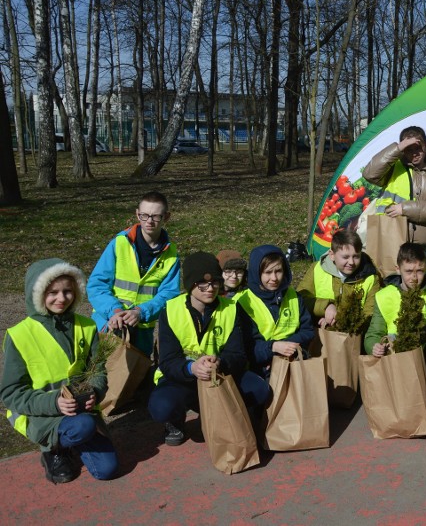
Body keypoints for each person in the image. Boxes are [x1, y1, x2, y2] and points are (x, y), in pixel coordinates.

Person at [1, 259, 119, 483]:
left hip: (81, 412)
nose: (61, 298)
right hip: (43, 415)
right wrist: (55, 402)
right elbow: (11, 393)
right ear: (37, 294)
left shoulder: (86, 326)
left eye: (67, 291)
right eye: (52, 292)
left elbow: (97, 370)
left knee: (107, 470)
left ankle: (75, 437)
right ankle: (52, 449)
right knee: (83, 427)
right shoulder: (20, 335)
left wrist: (95, 391)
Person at [147, 252, 270, 446]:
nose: (210, 288)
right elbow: (168, 361)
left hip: (220, 374)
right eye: (202, 284)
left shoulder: (231, 309)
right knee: (161, 407)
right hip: (183, 379)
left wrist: (220, 363)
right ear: (189, 285)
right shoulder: (170, 310)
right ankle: (175, 420)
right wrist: (191, 368)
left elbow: (238, 354)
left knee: (259, 389)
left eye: (215, 282)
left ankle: (228, 412)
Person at [364, 243, 426, 436]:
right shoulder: (384, 295)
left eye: (420, 271)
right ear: (398, 269)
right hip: (397, 352)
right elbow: (373, 333)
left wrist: (417, 334)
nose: (414, 277)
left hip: (424, 346)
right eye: (409, 271)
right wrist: (374, 346)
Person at [87, 191, 180, 356]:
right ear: (137, 214)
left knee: (136, 378)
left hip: (142, 331)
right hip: (108, 324)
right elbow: (97, 285)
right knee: (98, 376)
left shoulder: (171, 254)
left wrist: (141, 312)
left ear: (166, 217)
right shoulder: (119, 244)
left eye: (156, 216)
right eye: (145, 215)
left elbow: (169, 295)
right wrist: (114, 311)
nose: (149, 221)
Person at [363, 125, 426, 279]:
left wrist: (405, 209)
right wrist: (397, 148)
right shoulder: (393, 168)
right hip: (393, 243)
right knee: (393, 292)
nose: (414, 153)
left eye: (418, 148)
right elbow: (369, 174)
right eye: (408, 149)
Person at [239, 245, 315, 373]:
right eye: (268, 272)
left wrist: (285, 347)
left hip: (293, 359)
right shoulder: (242, 302)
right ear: (256, 273)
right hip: (259, 366)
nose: (274, 278)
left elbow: (307, 331)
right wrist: (273, 348)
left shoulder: (293, 296)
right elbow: (245, 345)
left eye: (278, 271)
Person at [297, 229, 380, 333]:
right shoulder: (316, 269)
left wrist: (339, 321)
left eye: (356, 256)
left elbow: (371, 314)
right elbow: (300, 299)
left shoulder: (370, 277)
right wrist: (326, 306)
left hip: (354, 337)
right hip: (317, 333)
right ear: (332, 255)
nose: (351, 262)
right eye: (345, 257)